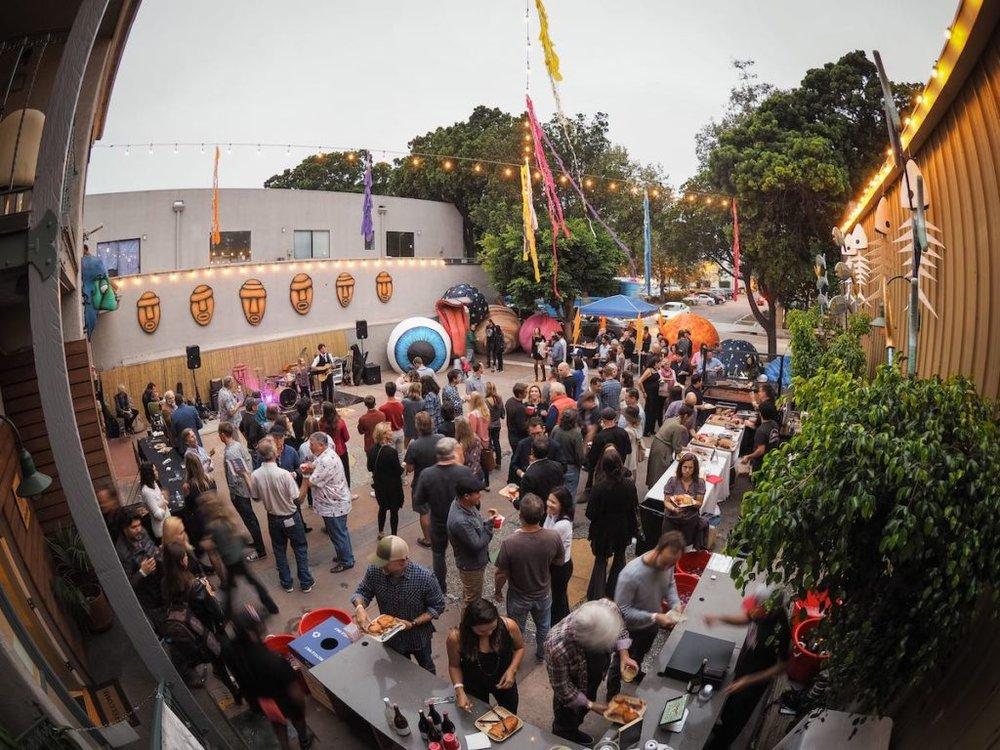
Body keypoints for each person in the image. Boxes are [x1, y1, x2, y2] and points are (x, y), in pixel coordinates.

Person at [704, 586, 790, 750]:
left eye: (758, 607)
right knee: (728, 705)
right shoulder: (760, 611)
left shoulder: (780, 631)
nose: (753, 609)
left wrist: (749, 680)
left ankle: (720, 744)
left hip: (754, 682)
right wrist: (720, 618)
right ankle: (720, 727)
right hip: (744, 666)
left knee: (737, 718)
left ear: (771, 609)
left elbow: (782, 666)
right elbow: (746, 619)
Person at [544, 599, 638, 746]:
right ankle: (565, 734)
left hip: (592, 673)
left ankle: (574, 729)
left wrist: (624, 655)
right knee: (567, 715)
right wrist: (591, 705)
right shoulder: (557, 647)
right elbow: (562, 687)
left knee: (587, 700)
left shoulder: (608, 608)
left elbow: (621, 630)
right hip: (573, 684)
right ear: (588, 644)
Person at [224, 604, 315, 750]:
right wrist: (301, 709)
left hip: (262, 701)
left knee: (277, 723)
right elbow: (296, 694)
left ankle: (285, 747)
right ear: (251, 633)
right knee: (296, 717)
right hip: (283, 700)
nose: (263, 625)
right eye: (259, 623)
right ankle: (304, 740)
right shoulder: (274, 662)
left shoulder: (230, 650)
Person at [605, 531, 685, 698]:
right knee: (619, 664)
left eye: (672, 564)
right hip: (628, 630)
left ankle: (636, 673)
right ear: (658, 549)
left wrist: (675, 605)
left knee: (641, 653)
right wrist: (654, 616)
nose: (668, 568)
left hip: (651, 626)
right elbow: (622, 611)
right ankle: (612, 694)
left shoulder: (668, 563)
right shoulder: (630, 575)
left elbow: (670, 584)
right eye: (666, 563)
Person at [352, 536, 446, 673]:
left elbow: (437, 606)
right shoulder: (375, 570)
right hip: (390, 638)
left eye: (384, 562)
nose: (380, 565)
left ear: (402, 562)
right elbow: (362, 592)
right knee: (401, 670)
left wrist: (412, 623)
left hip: (418, 637)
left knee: (427, 668)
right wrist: (360, 607)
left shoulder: (424, 578)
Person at [494, 493, 564, 660]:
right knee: (544, 627)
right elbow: (559, 561)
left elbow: (501, 574)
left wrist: (498, 591)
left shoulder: (510, 543)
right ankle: (542, 655)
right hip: (543, 594)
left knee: (516, 629)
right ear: (542, 514)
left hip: (519, 596)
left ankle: (515, 658)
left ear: (520, 516)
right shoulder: (553, 537)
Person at [250, 438, 313, 593]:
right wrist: (305, 480)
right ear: (275, 453)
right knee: (300, 548)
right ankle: (305, 582)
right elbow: (298, 499)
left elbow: (256, 498)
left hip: (273, 518)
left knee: (279, 550)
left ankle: (286, 582)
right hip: (290, 516)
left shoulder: (256, 475)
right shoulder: (284, 474)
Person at [413, 438, 476, 594]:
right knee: (465, 553)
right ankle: (469, 587)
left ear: (437, 454)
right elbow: (474, 496)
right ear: (452, 453)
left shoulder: (427, 474)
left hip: (438, 521)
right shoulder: (464, 471)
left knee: (438, 555)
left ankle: (441, 588)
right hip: (461, 520)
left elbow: (419, 499)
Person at [199, 493, 278, 616]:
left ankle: (226, 612)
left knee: (232, 587)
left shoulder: (214, 526)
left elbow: (220, 547)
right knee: (250, 582)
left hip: (231, 560)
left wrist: (210, 544)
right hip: (238, 556)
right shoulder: (225, 517)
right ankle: (271, 605)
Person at [447, 599, 524, 713]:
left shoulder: (509, 626)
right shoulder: (456, 638)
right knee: (477, 715)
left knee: (509, 713)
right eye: (482, 631)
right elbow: (454, 666)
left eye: (493, 628)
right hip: (473, 683)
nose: (489, 633)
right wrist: (459, 691)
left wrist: (512, 669)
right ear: (469, 626)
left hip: (504, 679)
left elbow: (519, 648)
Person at [585, 450, 638, 601]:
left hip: (603, 531)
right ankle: (615, 590)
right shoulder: (629, 485)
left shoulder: (599, 488)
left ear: (604, 467)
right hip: (623, 529)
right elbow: (633, 506)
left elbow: (590, 513)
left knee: (600, 562)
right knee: (620, 559)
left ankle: (596, 596)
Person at [300, 431, 354, 573]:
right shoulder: (325, 454)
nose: (310, 447)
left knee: (338, 534)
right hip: (335, 503)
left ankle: (346, 560)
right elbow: (315, 464)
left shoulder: (326, 460)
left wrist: (304, 475)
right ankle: (345, 555)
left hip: (334, 506)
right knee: (341, 532)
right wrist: (310, 466)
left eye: (312, 445)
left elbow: (311, 482)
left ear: (321, 445)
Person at [219, 423, 267, 560]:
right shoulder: (238, 445)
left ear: (222, 435)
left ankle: (260, 550)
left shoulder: (231, 453)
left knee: (249, 519)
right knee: (250, 518)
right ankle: (257, 542)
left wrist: (235, 492)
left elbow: (239, 473)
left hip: (240, 491)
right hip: (244, 488)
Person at [447, 474, 497, 604]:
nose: (480, 495)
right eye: (477, 493)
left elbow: (475, 525)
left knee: (469, 594)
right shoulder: (460, 521)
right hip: (471, 566)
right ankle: (468, 618)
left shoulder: (464, 504)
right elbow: (477, 544)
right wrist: (489, 527)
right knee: (472, 601)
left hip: (474, 562)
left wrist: (487, 522)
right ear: (466, 496)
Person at [115, 506, 165, 621]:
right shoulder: (122, 552)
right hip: (149, 596)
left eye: (139, 525)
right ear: (124, 528)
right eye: (134, 527)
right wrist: (142, 572)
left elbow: (151, 547)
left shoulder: (142, 531)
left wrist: (158, 551)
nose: (139, 529)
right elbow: (127, 586)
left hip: (160, 582)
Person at [405, 411, 443, 548]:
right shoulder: (441, 438)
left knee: (424, 512)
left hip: (422, 483)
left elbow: (409, 468)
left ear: (417, 426)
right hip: (439, 479)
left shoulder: (414, 445)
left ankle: (428, 539)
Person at [662, 452, 708, 546]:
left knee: (685, 547)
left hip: (689, 522)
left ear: (695, 469)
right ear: (680, 467)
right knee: (668, 546)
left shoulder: (699, 483)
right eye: (685, 467)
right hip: (671, 520)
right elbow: (666, 501)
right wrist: (674, 509)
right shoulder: (673, 481)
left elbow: (699, 504)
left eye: (691, 468)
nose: (687, 470)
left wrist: (690, 501)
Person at [368, 422, 404, 537]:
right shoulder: (391, 452)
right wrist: (403, 465)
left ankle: (381, 531)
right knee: (394, 511)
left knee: (382, 508)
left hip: (379, 485)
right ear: (384, 434)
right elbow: (398, 471)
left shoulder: (372, 449)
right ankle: (394, 535)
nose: (392, 432)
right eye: (389, 430)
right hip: (392, 487)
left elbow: (369, 467)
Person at [545, 488, 574, 624]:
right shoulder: (552, 514)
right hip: (558, 564)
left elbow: (547, 544)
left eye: (553, 502)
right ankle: (566, 621)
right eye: (549, 500)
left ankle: (557, 625)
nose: (549, 503)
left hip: (561, 567)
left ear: (562, 505)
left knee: (557, 600)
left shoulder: (562, 525)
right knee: (560, 596)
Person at [646, 405, 693, 488]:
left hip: (656, 444)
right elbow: (676, 447)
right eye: (689, 418)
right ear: (686, 416)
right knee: (659, 471)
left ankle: (652, 486)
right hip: (663, 449)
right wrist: (685, 452)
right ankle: (656, 489)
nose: (689, 421)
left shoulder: (671, 419)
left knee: (653, 469)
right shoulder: (678, 427)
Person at [511, 417, 566, 487]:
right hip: (528, 484)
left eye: (538, 433)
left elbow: (563, 466)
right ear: (529, 432)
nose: (536, 437)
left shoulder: (554, 445)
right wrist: (523, 475)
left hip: (548, 485)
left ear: (543, 429)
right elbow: (514, 464)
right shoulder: (522, 444)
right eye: (533, 434)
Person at [585, 408, 631, 488]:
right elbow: (629, 450)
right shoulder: (623, 433)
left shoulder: (600, 437)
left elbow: (592, 457)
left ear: (603, 420)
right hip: (619, 467)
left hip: (604, 471)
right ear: (615, 418)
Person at [319, 402, 353, 496]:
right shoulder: (340, 422)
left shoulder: (321, 423)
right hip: (341, 451)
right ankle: (347, 492)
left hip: (327, 453)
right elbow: (347, 437)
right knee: (345, 472)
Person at [519, 436, 565, 505]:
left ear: (532, 451)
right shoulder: (557, 466)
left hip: (537, 508)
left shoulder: (529, 475)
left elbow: (524, 502)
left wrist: (514, 500)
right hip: (553, 505)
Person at [550, 408, 584, 500]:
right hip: (571, 467)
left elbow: (550, 444)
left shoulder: (555, 429)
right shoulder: (576, 433)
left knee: (556, 494)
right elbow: (579, 455)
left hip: (556, 465)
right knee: (570, 495)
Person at [742, 400, 781, 474]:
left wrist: (748, 457)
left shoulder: (761, 430)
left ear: (760, 413)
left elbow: (760, 451)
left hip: (761, 464)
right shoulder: (774, 424)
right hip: (772, 460)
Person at [466, 392, 493, 489]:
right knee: (485, 463)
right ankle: (487, 483)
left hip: (478, 443)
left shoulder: (473, 414)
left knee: (476, 464)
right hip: (486, 440)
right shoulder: (486, 411)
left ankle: (478, 484)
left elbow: (473, 432)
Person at [139, 460, 170, 541]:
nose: (157, 472)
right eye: (155, 470)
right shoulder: (146, 492)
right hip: (162, 531)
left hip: (168, 526)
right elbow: (158, 515)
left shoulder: (154, 484)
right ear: (149, 473)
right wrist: (164, 503)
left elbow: (161, 499)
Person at [377, 381, 405, 456]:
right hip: (400, 431)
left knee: (391, 454)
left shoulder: (382, 408)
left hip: (390, 433)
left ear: (386, 392)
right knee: (400, 454)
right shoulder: (401, 405)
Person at [455, 417, 484, 483]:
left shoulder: (460, 445)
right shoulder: (475, 438)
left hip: (467, 475)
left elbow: (462, 462)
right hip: (477, 471)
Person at [620, 405, 646, 475]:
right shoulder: (638, 427)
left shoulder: (628, 431)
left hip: (628, 454)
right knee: (633, 470)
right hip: (634, 451)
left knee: (627, 470)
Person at [505, 383, 530, 453]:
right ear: (520, 394)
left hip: (511, 435)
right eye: (525, 392)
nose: (527, 393)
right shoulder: (520, 408)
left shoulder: (509, 401)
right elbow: (522, 427)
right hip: (519, 438)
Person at [401, 382, 424, 448]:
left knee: (405, 446)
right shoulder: (422, 402)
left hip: (407, 426)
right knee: (419, 445)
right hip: (417, 427)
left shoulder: (405, 401)